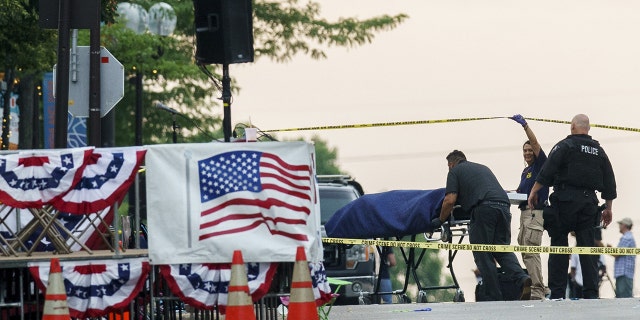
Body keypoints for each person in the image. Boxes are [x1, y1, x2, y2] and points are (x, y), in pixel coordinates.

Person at [528, 114, 617, 299]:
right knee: (587, 248)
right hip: (588, 205)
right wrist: (608, 207)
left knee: (559, 246)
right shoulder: (599, 151)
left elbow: (547, 170)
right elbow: (609, 180)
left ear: (572, 127)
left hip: (564, 202)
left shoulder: (564, 146)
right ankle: (591, 294)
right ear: (588, 128)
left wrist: (534, 191)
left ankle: (558, 293)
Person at [432, 150, 531, 301]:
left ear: (451, 164)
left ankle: (494, 296)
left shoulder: (455, 171)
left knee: (482, 252)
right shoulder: (482, 168)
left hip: (484, 208)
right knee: (501, 249)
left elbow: (450, 200)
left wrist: (440, 220)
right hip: (504, 206)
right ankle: (522, 279)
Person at [510, 114, 549, 300]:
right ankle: (540, 286)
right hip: (524, 214)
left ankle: (538, 290)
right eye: (524, 150)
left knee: (532, 252)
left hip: (535, 214)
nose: (528, 153)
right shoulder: (526, 171)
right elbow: (520, 192)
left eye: (530, 150)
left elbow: (535, 143)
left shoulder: (541, 165)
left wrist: (525, 125)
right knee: (526, 252)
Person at [610, 217, 636, 298]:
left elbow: (617, 254)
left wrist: (607, 250)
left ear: (625, 225)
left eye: (620, 224)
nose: (619, 226)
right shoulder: (628, 238)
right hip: (624, 273)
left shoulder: (626, 238)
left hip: (623, 273)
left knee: (623, 299)